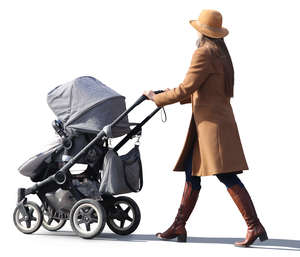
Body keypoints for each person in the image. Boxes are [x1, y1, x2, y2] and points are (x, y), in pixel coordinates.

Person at [143, 9, 268, 247]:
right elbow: (204, 91)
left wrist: (155, 97)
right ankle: (179, 225)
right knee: (192, 173)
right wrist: (168, 94)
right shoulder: (222, 55)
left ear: (202, 32)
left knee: (225, 175)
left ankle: (254, 225)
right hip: (215, 125)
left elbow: (185, 89)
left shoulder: (203, 53)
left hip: (211, 128)